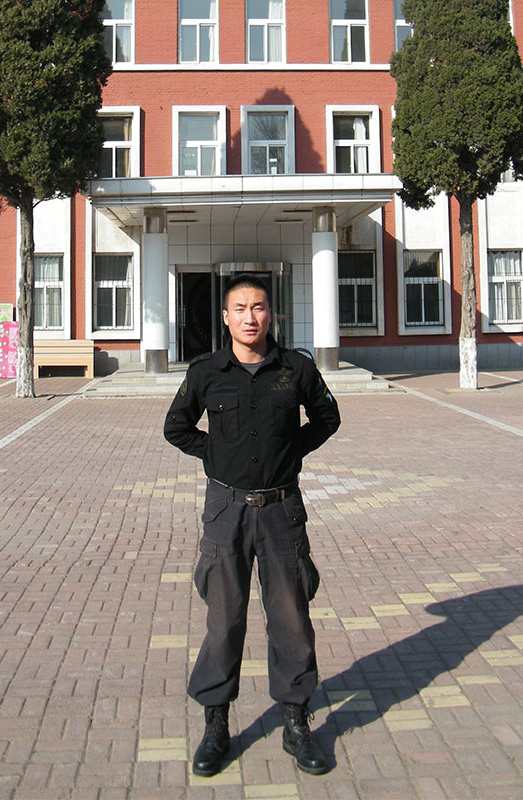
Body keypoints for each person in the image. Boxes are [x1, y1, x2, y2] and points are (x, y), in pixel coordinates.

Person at [163, 274, 341, 777]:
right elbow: (176, 427)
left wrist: (291, 452)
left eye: (258, 307)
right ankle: (216, 724)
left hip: (282, 511)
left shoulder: (297, 369)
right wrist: (216, 455)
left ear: (271, 313)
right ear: (225, 317)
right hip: (227, 511)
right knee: (224, 619)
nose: (249, 317)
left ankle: (296, 722)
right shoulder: (206, 372)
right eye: (239, 308)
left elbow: (327, 419)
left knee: (291, 617)